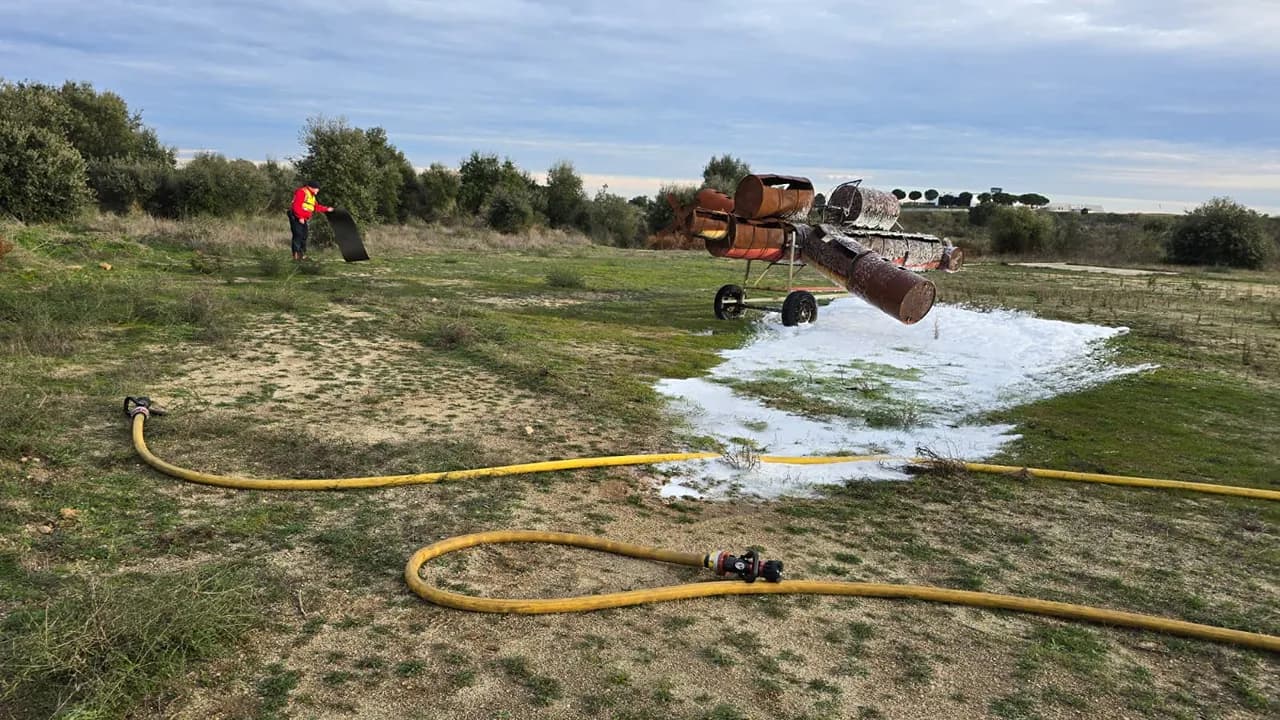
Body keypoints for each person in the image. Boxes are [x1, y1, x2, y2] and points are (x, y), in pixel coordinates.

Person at [288, 181, 332, 260]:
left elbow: (316, 207)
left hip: (303, 218)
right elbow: (296, 206)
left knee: (304, 235)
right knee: (298, 235)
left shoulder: (311, 196)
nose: (317, 191)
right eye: (317, 189)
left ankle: (302, 255)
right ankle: (296, 256)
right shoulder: (302, 192)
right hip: (296, 216)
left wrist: (327, 209)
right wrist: (300, 217)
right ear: (312, 187)